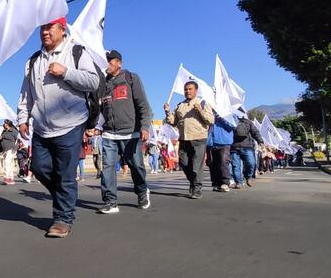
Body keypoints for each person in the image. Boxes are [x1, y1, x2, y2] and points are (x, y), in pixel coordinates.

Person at [17, 17, 100, 238]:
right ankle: (65, 197)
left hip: (71, 124)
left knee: (65, 174)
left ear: (62, 29)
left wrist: (66, 72)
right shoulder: (33, 60)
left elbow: (93, 82)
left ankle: (63, 219)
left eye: (49, 27)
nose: (45, 32)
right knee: (39, 167)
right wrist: (22, 118)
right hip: (42, 126)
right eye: (42, 28)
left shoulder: (77, 52)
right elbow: (26, 93)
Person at [96, 50, 152, 213]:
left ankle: (142, 191)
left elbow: (143, 105)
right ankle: (110, 201)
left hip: (131, 133)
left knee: (137, 166)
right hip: (109, 134)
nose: (106, 64)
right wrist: (92, 126)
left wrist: (145, 127)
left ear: (119, 63)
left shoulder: (131, 78)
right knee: (108, 168)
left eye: (109, 61)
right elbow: (98, 108)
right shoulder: (102, 84)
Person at [164, 81, 215, 199]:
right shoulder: (180, 105)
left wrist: (199, 111)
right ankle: (193, 182)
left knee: (196, 166)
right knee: (184, 163)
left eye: (190, 89)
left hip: (199, 139)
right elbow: (173, 122)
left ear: (196, 91)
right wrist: (167, 111)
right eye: (186, 89)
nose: (188, 91)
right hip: (184, 139)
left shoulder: (202, 103)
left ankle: (197, 188)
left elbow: (210, 120)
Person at [230, 110, 263, 188]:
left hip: (247, 146)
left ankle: (248, 177)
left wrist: (260, 141)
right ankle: (239, 182)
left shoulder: (248, 122)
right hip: (234, 147)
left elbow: (255, 132)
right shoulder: (230, 120)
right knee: (235, 166)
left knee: (251, 163)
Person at [206, 112, 235, 192]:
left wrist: (222, 118)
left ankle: (225, 182)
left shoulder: (228, 113)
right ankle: (216, 183)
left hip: (224, 142)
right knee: (212, 163)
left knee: (223, 162)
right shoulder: (208, 112)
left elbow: (232, 126)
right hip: (210, 142)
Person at [0, 120, 18, 184]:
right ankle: (11, 178)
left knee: (7, 162)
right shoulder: (4, 131)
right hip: (4, 149)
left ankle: (6, 177)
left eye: (5, 123)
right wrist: (0, 139)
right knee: (9, 164)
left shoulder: (14, 131)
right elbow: (1, 139)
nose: (4, 124)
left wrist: (15, 147)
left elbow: (18, 139)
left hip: (11, 149)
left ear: (8, 124)